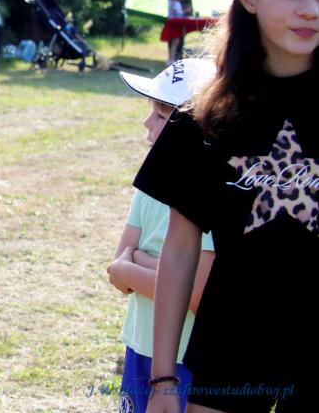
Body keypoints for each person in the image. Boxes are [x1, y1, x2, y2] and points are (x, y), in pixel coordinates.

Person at [137, 0, 318, 412]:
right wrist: (163, 381)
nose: (310, 9)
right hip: (232, 349)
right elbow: (179, 251)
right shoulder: (205, 116)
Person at [108, 58, 216, 413]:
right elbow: (116, 273)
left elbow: (197, 294)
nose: (146, 121)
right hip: (139, 346)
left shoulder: (210, 195)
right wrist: (135, 269)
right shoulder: (148, 188)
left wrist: (133, 266)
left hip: (185, 358)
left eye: (160, 114)